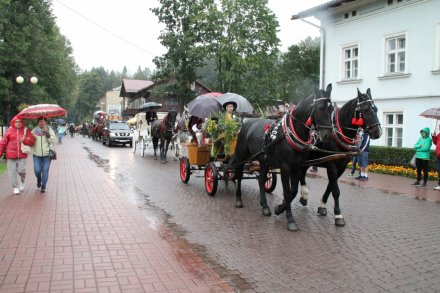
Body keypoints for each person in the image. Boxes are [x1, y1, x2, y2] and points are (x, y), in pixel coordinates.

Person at [0, 116, 35, 195]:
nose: (18, 123)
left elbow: (32, 141)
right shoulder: (9, 131)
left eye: (20, 122)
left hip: (22, 154)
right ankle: (15, 187)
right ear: (13, 122)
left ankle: (23, 180)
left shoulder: (25, 130)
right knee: (12, 172)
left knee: (21, 170)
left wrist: (25, 140)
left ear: (22, 123)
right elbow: (2, 142)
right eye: (16, 122)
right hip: (11, 154)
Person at [31, 116, 56, 193]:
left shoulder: (49, 129)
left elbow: (52, 140)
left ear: (46, 122)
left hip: (47, 154)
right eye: (41, 121)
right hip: (36, 154)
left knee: (45, 171)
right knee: (37, 170)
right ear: (38, 122)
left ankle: (43, 186)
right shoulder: (34, 130)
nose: (42, 123)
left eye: (44, 121)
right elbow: (30, 140)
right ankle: (39, 180)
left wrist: (47, 133)